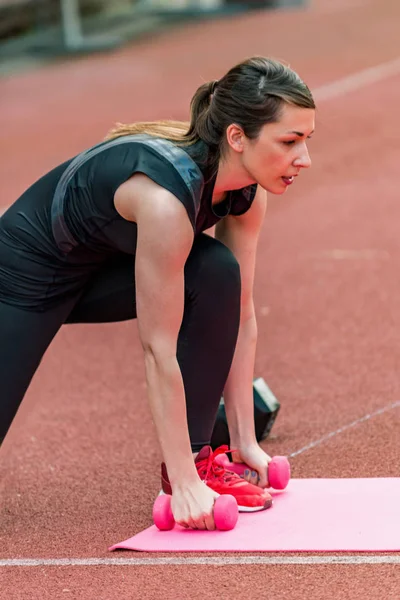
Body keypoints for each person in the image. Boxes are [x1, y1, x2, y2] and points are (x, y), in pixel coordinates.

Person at [0, 56, 315, 530]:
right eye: (289, 141)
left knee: (217, 275)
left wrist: (246, 444)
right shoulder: (166, 201)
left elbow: (241, 314)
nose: (304, 159)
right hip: (26, 275)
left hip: (103, 269)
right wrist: (186, 490)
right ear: (236, 137)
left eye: (307, 141)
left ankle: (204, 455)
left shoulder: (247, 191)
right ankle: (189, 474)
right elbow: (157, 349)